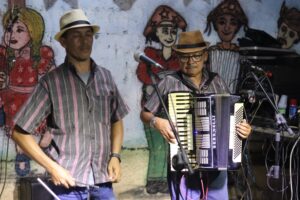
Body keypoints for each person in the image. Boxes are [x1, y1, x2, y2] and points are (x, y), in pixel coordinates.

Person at [11, 8, 129, 200]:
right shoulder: (51, 82)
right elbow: (20, 133)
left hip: (103, 182)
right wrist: (52, 167)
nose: (84, 41)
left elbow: (117, 119)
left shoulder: (105, 77)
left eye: (88, 35)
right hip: (67, 185)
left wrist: (115, 155)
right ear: (63, 42)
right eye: (76, 36)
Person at [140, 30, 252, 200]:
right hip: (183, 166)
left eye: (196, 56)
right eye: (185, 56)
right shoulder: (170, 82)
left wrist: (244, 127)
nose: (191, 61)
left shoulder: (217, 81)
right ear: (178, 58)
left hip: (217, 165)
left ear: (205, 56)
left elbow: (234, 114)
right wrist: (157, 122)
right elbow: (145, 114)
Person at [136, 5, 187, 194]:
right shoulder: (149, 55)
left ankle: (167, 180)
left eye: (173, 31)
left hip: (171, 111)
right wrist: (153, 83)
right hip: (152, 110)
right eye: (164, 30)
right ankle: (153, 180)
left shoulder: (177, 58)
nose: (169, 35)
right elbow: (141, 72)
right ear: (156, 32)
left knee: (169, 147)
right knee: (156, 147)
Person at [0, 7, 56, 176]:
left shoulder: (39, 54)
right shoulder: (4, 55)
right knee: (17, 130)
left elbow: (53, 78)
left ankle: (45, 147)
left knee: (48, 126)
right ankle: (21, 154)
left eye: (19, 30)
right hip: (12, 99)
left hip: (33, 98)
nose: (12, 35)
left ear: (33, 32)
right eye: (9, 30)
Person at [205, 0, 248, 94]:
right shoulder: (209, 53)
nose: (227, 28)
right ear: (215, 25)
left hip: (237, 99)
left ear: (237, 27)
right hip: (214, 98)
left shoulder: (242, 54)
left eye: (233, 23)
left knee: (239, 108)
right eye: (222, 22)